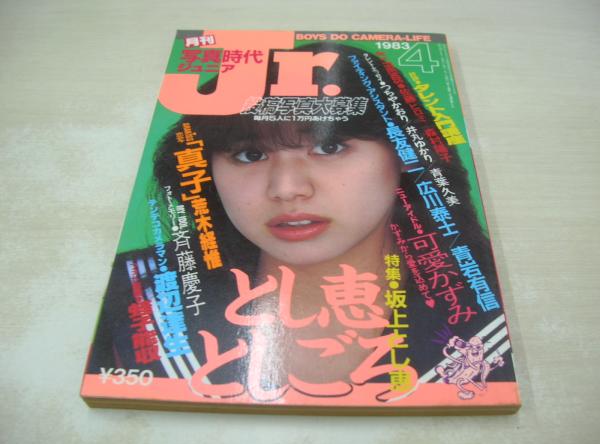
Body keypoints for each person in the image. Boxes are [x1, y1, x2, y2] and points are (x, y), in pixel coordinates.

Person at [89, 42, 514, 394]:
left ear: (404, 154)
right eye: (249, 154)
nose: (287, 188)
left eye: (329, 147)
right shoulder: (135, 297)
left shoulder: (492, 318)